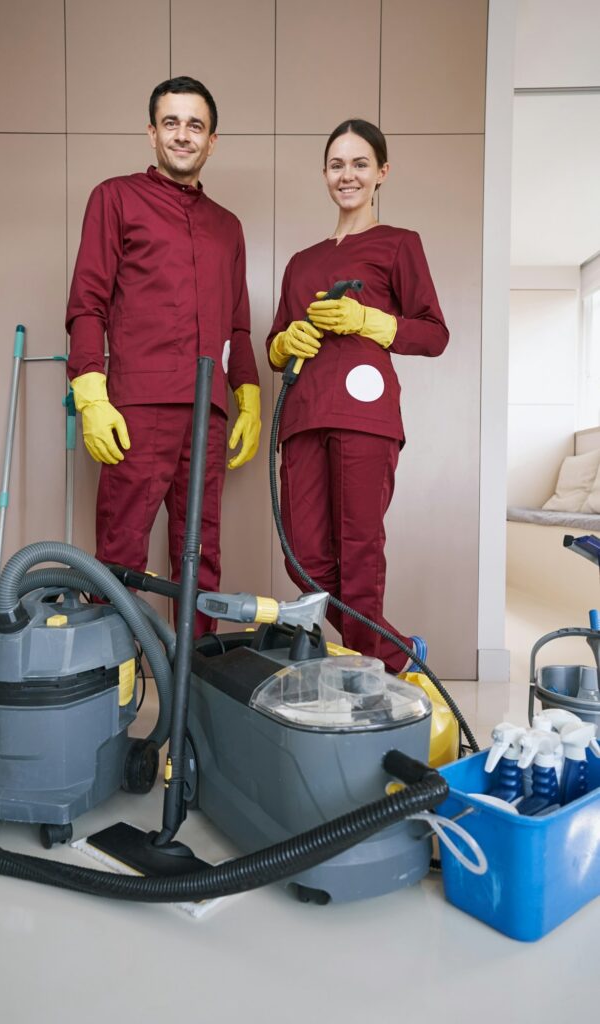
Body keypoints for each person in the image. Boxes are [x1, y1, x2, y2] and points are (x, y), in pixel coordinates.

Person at [66, 77, 261, 633]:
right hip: (138, 407)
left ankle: (193, 683)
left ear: (212, 140)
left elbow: (239, 326)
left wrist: (246, 396)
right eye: (171, 123)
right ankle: (113, 676)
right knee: (123, 548)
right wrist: (91, 394)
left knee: (200, 555)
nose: (183, 135)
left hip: (209, 414)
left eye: (195, 125)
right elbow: (87, 302)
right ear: (152, 133)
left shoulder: (228, 227)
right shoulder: (115, 197)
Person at [267, 119, 448, 673]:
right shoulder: (301, 262)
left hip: (364, 418)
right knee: (306, 561)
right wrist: (281, 345)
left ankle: (368, 685)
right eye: (337, 164)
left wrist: (370, 319)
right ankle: (398, 656)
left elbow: (434, 334)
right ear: (325, 173)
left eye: (360, 163)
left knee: (359, 555)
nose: (348, 175)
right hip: (302, 416)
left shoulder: (399, 245)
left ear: (381, 172)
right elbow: (276, 338)